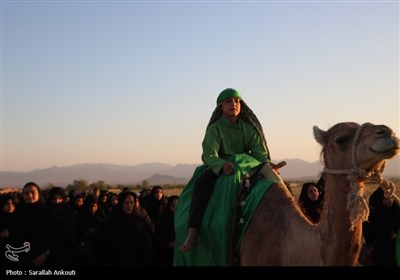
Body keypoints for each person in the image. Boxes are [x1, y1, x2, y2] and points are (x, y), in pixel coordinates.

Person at [179, 88, 279, 253]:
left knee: (277, 183)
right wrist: (221, 165)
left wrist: (268, 164)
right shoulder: (215, 129)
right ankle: (193, 232)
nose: (234, 104)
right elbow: (209, 154)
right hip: (221, 166)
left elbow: (259, 153)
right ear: (221, 107)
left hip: (248, 165)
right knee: (202, 184)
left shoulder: (249, 128)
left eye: (237, 101)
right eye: (228, 101)